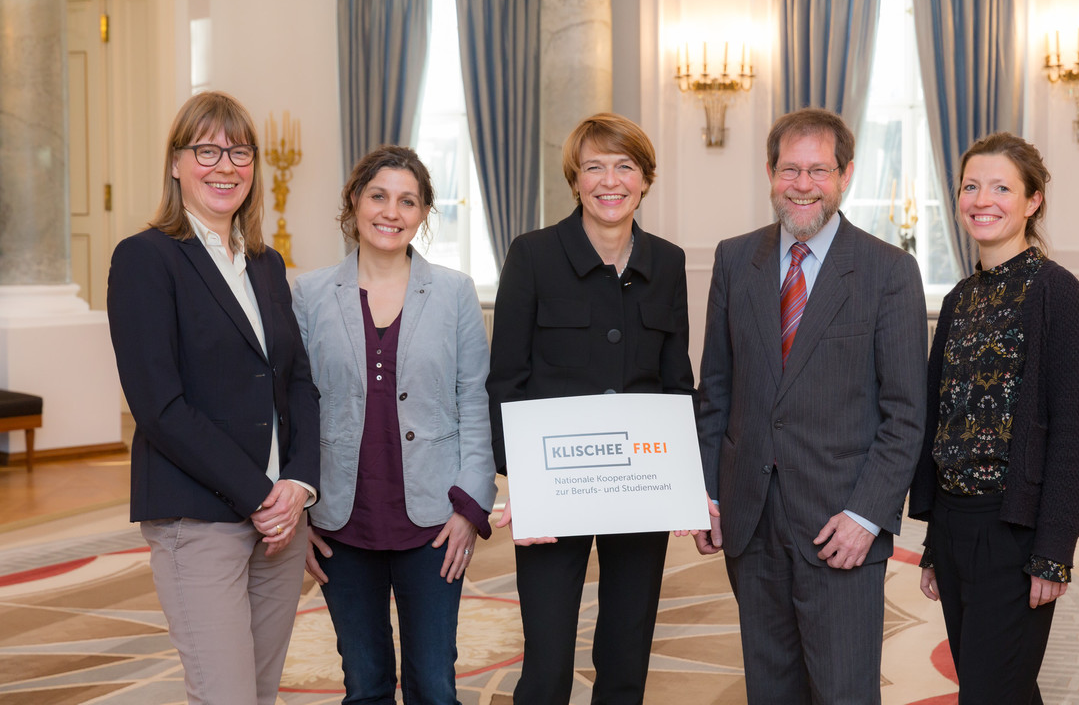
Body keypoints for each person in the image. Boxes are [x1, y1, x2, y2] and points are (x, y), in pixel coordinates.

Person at [691, 107, 928, 704]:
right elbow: (716, 390)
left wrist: (866, 516)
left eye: (819, 170)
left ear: (845, 175)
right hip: (750, 521)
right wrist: (708, 494)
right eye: (790, 170)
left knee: (843, 691)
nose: (803, 184)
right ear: (770, 173)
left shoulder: (889, 271)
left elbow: (906, 414)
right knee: (770, 690)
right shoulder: (733, 259)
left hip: (839, 527)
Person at [107, 91, 320, 705]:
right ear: (176, 163)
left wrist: (299, 484)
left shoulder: (266, 264)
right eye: (206, 151)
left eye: (239, 152)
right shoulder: (146, 258)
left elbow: (297, 382)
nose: (225, 166)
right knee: (224, 695)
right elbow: (159, 407)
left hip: (281, 523)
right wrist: (259, 495)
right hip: (199, 519)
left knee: (259, 693)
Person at [487, 113, 694, 704]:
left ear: (645, 179)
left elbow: (677, 381)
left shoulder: (669, 262)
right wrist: (520, 481)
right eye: (594, 167)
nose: (610, 181)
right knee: (547, 666)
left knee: (626, 659)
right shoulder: (532, 255)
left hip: (642, 483)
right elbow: (505, 380)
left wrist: (687, 479)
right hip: (555, 485)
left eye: (625, 167)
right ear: (575, 180)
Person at [292, 145, 496, 705]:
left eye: (408, 201)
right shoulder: (309, 294)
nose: (391, 212)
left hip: (435, 522)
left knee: (434, 687)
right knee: (365, 686)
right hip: (339, 521)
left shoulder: (455, 292)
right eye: (378, 196)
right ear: (354, 202)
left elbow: (474, 401)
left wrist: (470, 507)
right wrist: (298, 513)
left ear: (424, 212)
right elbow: (295, 409)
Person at [908, 132, 1079, 704]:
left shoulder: (1059, 294)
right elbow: (943, 420)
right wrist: (934, 541)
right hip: (954, 524)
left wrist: (1054, 552)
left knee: (992, 690)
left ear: (1032, 200)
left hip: (1015, 530)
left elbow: (1076, 436)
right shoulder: (959, 299)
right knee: (995, 686)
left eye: (1000, 188)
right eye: (971, 186)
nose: (981, 200)